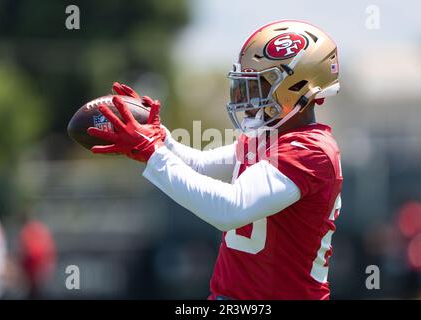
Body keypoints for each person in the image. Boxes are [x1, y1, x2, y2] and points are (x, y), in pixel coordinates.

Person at [88, 20, 343, 300]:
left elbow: (231, 208)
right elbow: (198, 165)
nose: (248, 95)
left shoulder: (310, 150)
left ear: (298, 86)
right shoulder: (267, 138)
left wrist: (152, 151)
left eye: (260, 83)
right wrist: (160, 138)